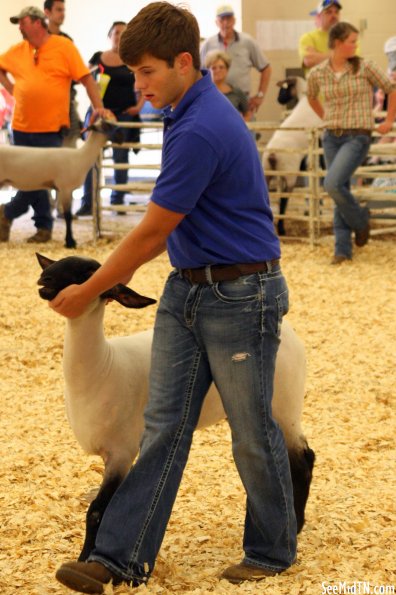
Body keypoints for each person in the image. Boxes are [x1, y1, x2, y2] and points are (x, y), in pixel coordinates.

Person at [52, 2, 297, 592]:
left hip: (241, 293)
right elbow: (166, 230)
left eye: (147, 72)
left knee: (251, 427)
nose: (139, 85)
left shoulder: (203, 125)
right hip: (190, 288)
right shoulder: (183, 109)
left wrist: (91, 288)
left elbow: (153, 232)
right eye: (134, 73)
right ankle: (118, 558)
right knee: (162, 426)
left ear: (185, 63)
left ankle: (272, 549)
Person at [0, 6, 109, 243]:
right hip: (21, 126)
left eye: (23, 22)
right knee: (29, 181)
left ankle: (10, 214)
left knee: (41, 181)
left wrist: (98, 107)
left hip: (50, 127)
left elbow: (87, 79)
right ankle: (42, 227)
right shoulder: (18, 51)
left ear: (39, 23)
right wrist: (10, 89)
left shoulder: (63, 47)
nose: (19, 27)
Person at [307, 21, 396, 264]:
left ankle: (361, 220)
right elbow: (311, 96)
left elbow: (391, 88)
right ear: (337, 43)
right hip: (332, 136)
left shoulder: (365, 66)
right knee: (339, 188)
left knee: (333, 184)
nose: (356, 45)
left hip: (358, 135)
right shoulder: (318, 73)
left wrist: (389, 119)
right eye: (352, 41)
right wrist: (325, 116)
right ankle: (342, 250)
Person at [76, 21, 144, 217]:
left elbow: (142, 85)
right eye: (116, 32)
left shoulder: (133, 58)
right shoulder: (98, 57)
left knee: (120, 156)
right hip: (99, 112)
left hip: (123, 113)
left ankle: (118, 200)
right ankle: (88, 201)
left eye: (123, 33)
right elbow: (83, 77)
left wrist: (138, 107)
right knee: (90, 156)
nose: (119, 36)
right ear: (109, 35)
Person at [200, 5, 271, 113]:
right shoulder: (207, 44)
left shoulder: (247, 42)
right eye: (222, 19)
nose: (225, 23)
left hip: (242, 101)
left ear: (234, 21)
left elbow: (266, 68)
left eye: (228, 19)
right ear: (216, 22)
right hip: (213, 99)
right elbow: (197, 72)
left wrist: (260, 95)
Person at [43, 0, 82, 150]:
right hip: (43, 104)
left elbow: (75, 70)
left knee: (69, 145)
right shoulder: (36, 40)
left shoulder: (67, 41)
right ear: (47, 12)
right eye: (59, 10)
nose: (62, 14)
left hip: (66, 102)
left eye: (63, 10)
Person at [299, 0, 342, 76]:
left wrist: (318, 55)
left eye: (336, 12)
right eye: (329, 12)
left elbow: (353, 60)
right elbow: (309, 61)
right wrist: (340, 55)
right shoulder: (308, 38)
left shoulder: (346, 36)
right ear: (319, 16)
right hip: (317, 86)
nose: (334, 15)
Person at [205, 50, 249, 119]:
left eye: (221, 67)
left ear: (227, 69)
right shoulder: (203, 93)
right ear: (208, 71)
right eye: (214, 68)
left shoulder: (237, 92)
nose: (218, 70)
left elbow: (247, 113)